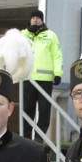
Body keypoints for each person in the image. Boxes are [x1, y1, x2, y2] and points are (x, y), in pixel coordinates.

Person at [21, 10, 62, 140]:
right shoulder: (23, 35)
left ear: (42, 20)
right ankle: (26, 138)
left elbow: (57, 55)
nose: (35, 20)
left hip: (45, 79)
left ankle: (39, 138)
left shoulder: (51, 35)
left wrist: (58, 73)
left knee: (44, 110)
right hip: (28, 78)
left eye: (38, 18)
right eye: (33, 17)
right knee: (27, 109)